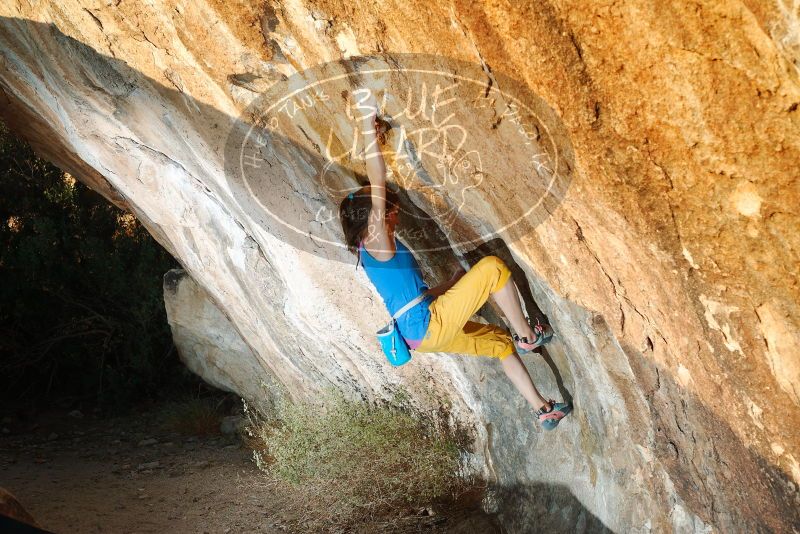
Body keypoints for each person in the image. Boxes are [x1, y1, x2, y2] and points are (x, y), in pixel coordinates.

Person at [338, 89, 572, 430]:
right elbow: (376, 178)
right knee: (493, 270)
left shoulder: (370, 252)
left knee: (497, 344)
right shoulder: (376, 241)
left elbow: (408, 300)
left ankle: (543, 410)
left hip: (422, 336)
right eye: (382, 205)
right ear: (371, 217)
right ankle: (527, 336)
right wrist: (364, 119)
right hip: (428, 325)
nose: (391, 208)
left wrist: (451, 283)